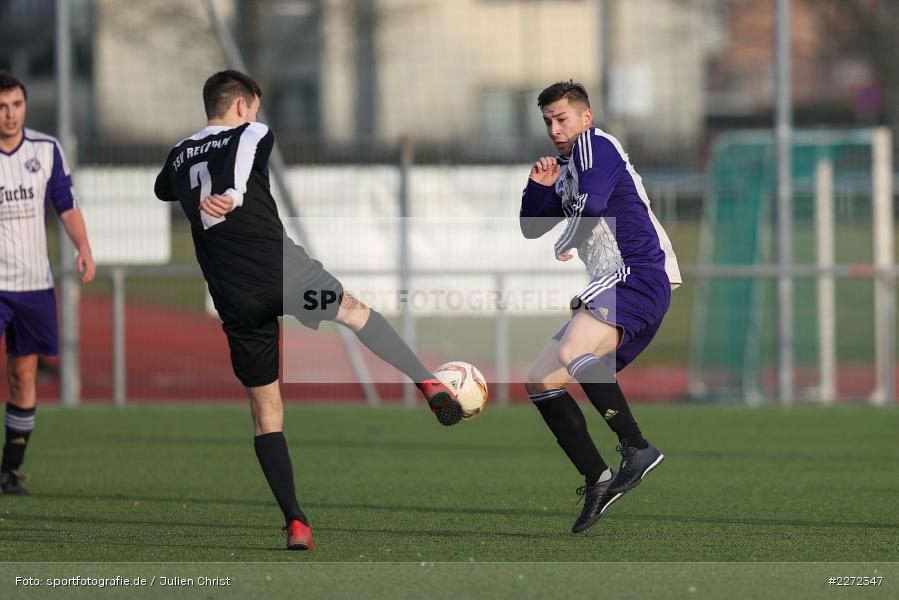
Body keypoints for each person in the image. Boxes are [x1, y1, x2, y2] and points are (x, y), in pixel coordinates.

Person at [153, 70, 462, 551]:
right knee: (355, 313)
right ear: (242, 105)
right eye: (255, 106)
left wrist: (196, 177)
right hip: (283, 277)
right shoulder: (251, 131)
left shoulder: (179, 154)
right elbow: (238, 172)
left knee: (265, 411)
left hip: (235, 297)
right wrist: (233, 197)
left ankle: (297, 522)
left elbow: (162, 190)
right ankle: (426, 380)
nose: (257, 115)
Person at [519, 81, 681, 533]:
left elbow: (592, 206)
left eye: (562, 118)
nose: (554, 128)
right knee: (540, 380)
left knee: (573, 353)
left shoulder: (595, 145)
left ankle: (637, 447)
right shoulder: (568, 166)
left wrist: (567, 238)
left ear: (585, 117)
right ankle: (596, 476)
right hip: (621, 285)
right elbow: (532, 227)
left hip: (636, 273)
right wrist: (538, 187)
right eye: (548, 121)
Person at [0, 72, 96, 495]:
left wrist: (83, 246)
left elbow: (66, 205)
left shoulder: (47, 149)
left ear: (24, 105)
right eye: (2, 107)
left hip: (33, 285)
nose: (9, 115)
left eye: (16, 105)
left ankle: (10, 469)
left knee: (24, 376)